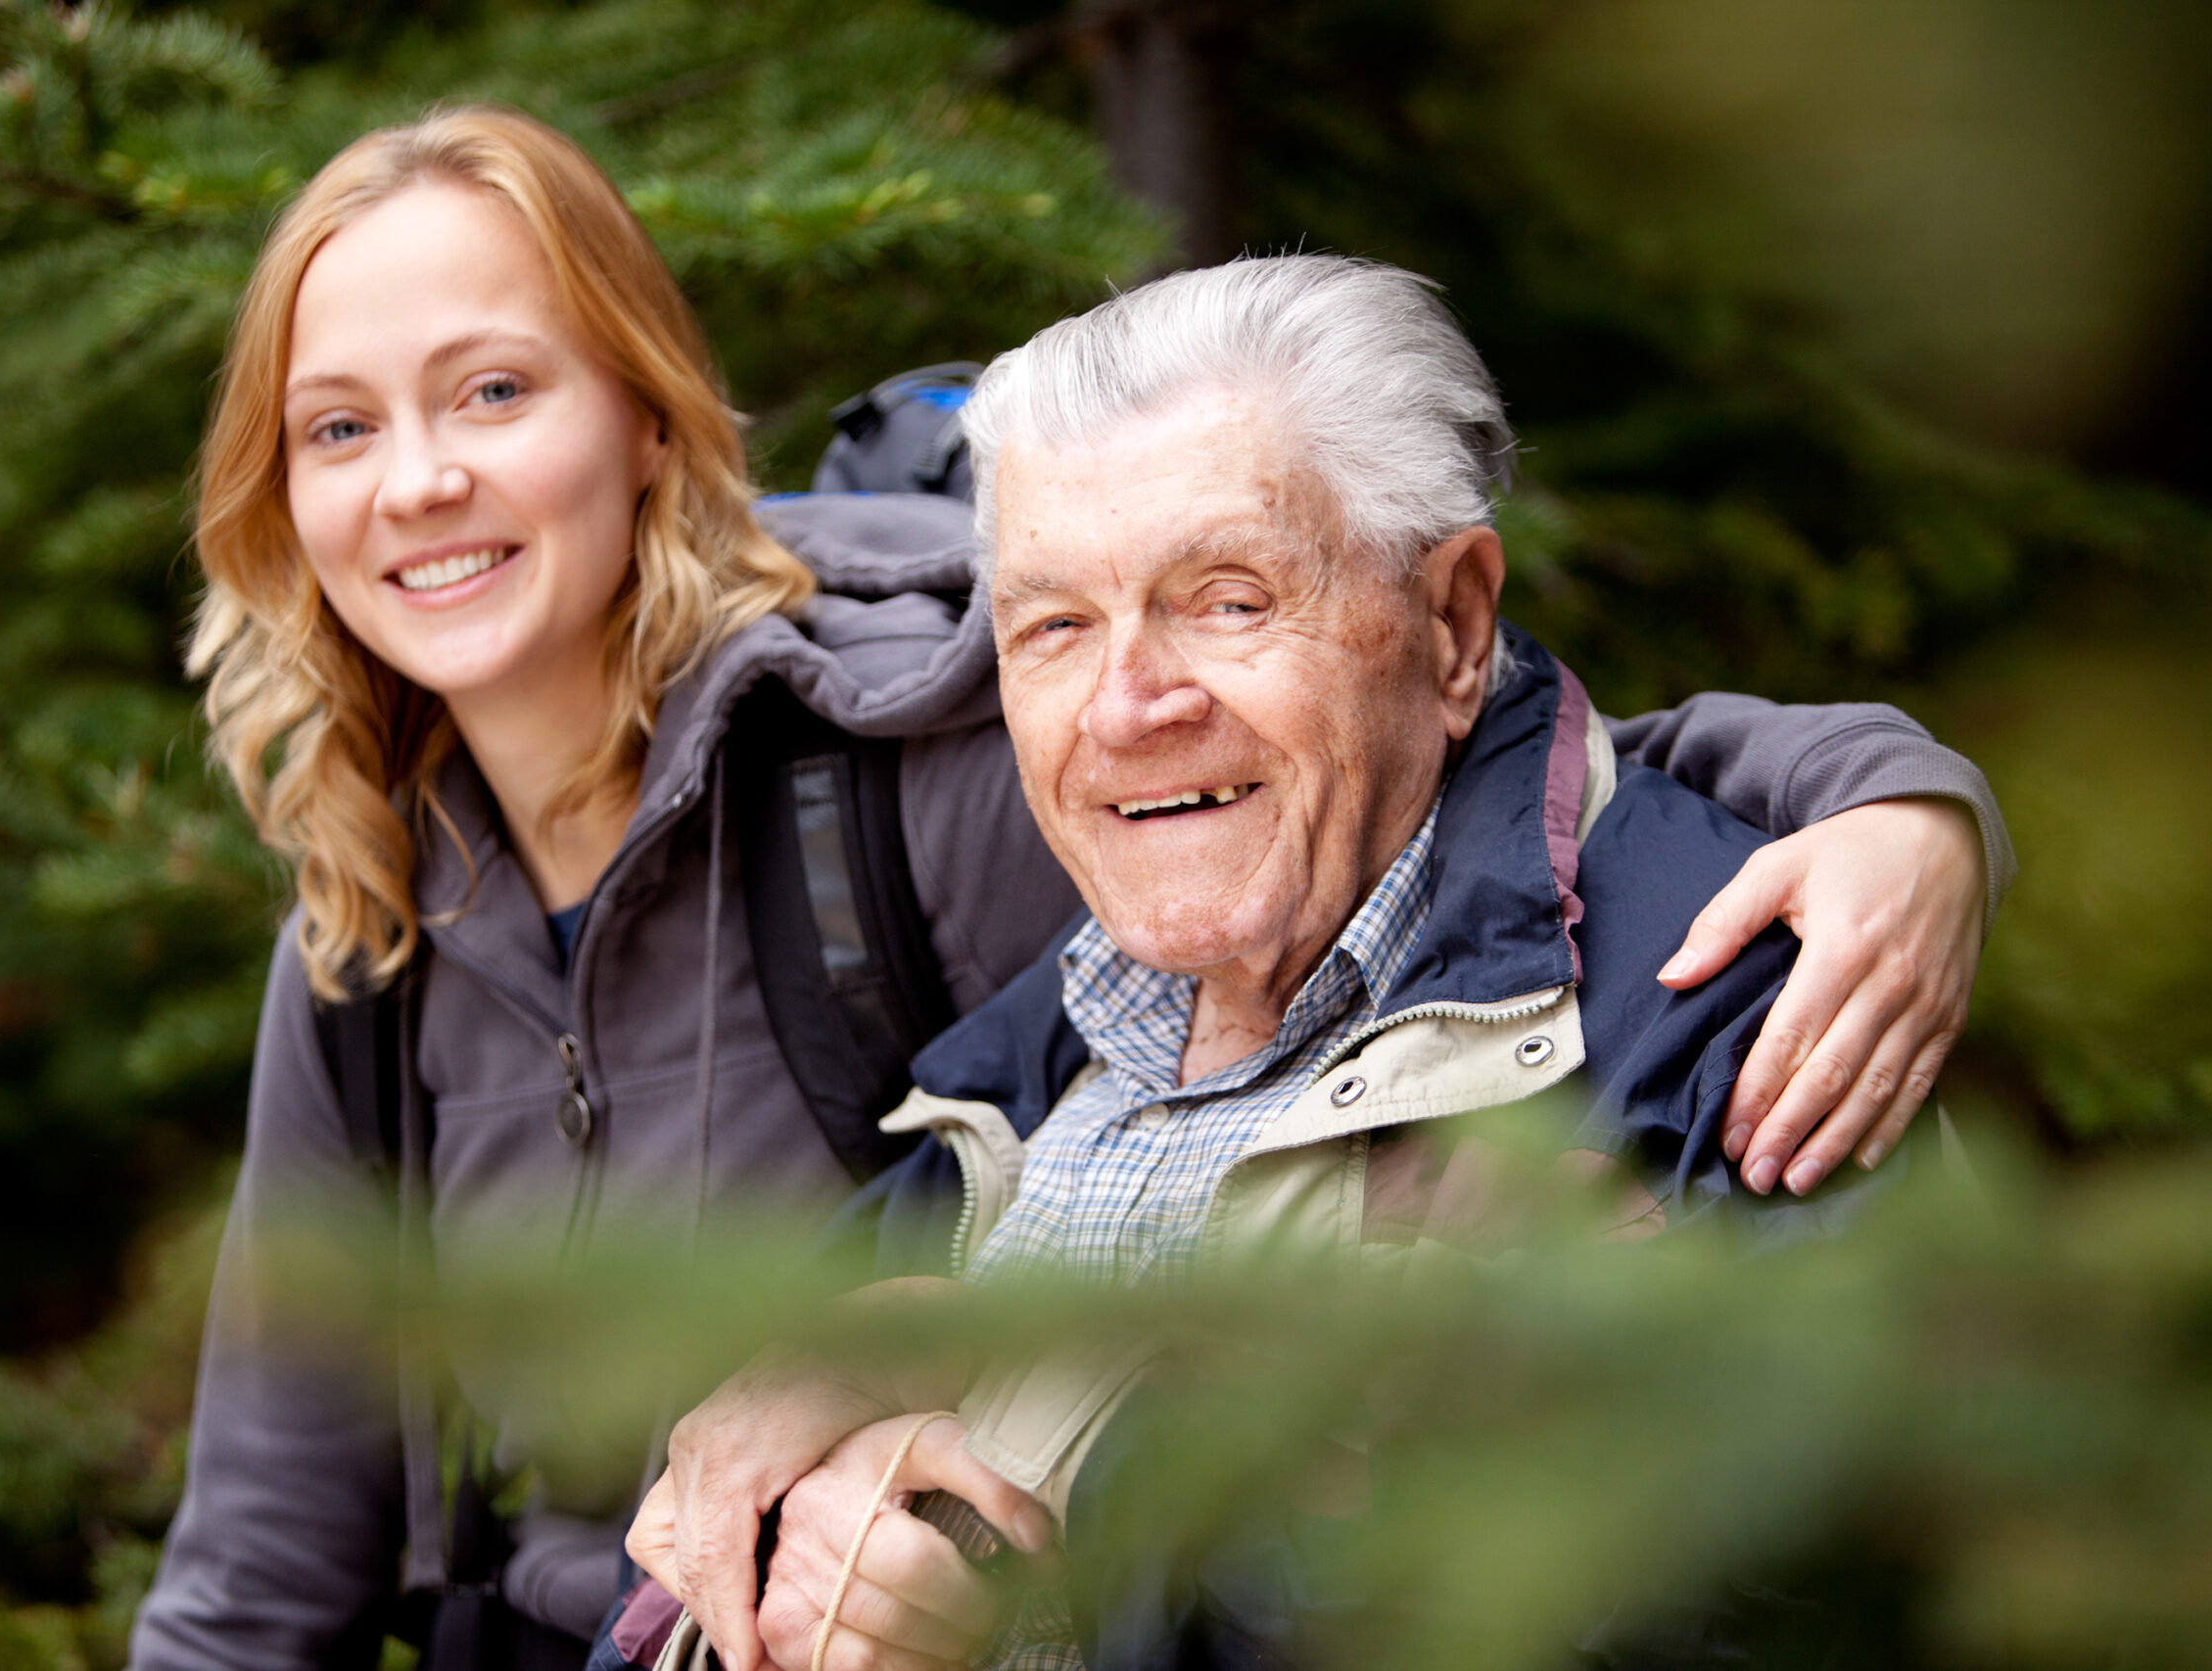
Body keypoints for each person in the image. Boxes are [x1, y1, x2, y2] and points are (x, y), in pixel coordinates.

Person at [130, 106, 2009, 1671]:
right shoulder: (402, 926)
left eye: (492, 389)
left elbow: (1493, 794)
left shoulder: (907, 785)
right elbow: (269, 1549)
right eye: (339, 427)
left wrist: (1891, 803)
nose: (1130, 703)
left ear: (644, 416)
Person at [622, 255, 1998, 1671]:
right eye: (1053, 627)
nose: (1126, 706)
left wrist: (1042, 1564)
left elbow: (1795, 1606)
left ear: (1454, 624)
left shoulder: (1745, 1023)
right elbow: (686, 1587)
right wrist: (774, 1554)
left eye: (1225, 599)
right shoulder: (1022, 1063)